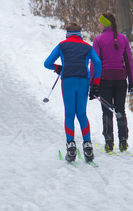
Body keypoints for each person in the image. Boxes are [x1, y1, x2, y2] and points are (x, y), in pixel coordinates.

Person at [44, 22, 102, 163]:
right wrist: (96, 84)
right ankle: (87, 145)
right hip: (83, 80)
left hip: (68, 80)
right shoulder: (87, 47)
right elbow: (98, 62)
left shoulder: (62, 45)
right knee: (81, 114)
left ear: (67, 34)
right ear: (80, 34)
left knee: (69, 114)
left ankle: (71, 146)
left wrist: (58, 67)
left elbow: (47, 63)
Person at [90, 12, 133, 152]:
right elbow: (129, 61)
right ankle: (123, 141)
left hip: (105, 80)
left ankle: (109, 141)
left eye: (100, 22)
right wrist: (132, 81)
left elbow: (95, 63)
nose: (98, 25)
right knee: (120, 110)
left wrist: (93, 83)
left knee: (107, 111)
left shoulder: (98, 40)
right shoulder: (123, 39)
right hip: (121, 79)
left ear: (104, 24)